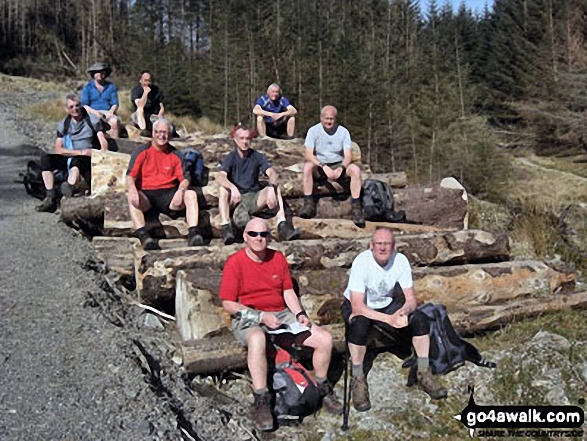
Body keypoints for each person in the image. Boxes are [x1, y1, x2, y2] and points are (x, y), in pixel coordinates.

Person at [219, 218, 343, 431]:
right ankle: (261, 399)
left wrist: (299, 313)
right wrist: (259, 316)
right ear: (245, 237)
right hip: (249, 315)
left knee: (324, 338)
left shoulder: (277, 258)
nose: (259, 238)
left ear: (270, 237)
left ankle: (322, 387)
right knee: (257, 338)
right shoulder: (235, 262)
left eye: (264, 234)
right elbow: (228, 304)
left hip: (281, 313)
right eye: (254, 234)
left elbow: (287, 291)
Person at [342, 227, 448, 412]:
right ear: (371, 246)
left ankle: (423, 371)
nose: (382, 248)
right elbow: (357, 306)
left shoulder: (400, 261)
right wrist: (389, 319)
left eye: (387, 244)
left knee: (420, 319)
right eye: (378, 244)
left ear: (393, 246)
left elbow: (411, 299)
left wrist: (404, 312)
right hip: (360, 304)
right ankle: (358, 378)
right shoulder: (362, 262)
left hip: (386, 303)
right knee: (358, 325)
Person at [125, 118, 203, 250]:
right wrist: (132, 189)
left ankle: (193, 233)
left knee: (191, 194)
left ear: (170, 135)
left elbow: (185, 179)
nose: (161, 136)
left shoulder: (176, 154)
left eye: (165, 133)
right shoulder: (141, 152)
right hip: (147, 195)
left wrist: (181, 191)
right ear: (153, 133)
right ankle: (143, 235)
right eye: (158, 132)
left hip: (169, 195)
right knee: (131, 197)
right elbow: (130, 176)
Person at [215, 124, 298, 245]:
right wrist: (232, 188)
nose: (245, 142)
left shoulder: (257, 156)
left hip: (254, 197)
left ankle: (283, 225)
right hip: (237, 199)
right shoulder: (231, 157)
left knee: (275, 189)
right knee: (223, 190)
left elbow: (271, 173)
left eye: (247, 138)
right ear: (235, 139)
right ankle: (226, 227)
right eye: (241, 138)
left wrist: (271, 186)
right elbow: (220, 176)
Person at [36, 94, 108, 213]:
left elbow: (103, 143)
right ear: (67, 109)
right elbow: (58, 149)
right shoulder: (64, 124)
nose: (75, 109)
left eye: (77, 106)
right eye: (71, 107)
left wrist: (97, 154)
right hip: (73, 153)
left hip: (88, 157)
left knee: (77, 161)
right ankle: (50, 197)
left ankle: (69, 188)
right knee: (46, 159)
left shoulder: (92, 120)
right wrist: (78, 152)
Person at [300, 105, 365, 227]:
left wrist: (341, 167)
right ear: (321, 118)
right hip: (320, 165)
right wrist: (323, 166)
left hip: (338, 163)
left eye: (332, 119)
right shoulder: (313, 131)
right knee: (307, 167)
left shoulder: (343, 132)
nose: (329, 121)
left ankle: (356, 207)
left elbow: (348, 155)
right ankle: (308, 203)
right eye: (327, 118)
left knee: (355, 170)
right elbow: (308, 154)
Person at [81, 62, 121, 139]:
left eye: (102, 72)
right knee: (94, 122)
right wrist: (96, 113)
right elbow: (85, 105)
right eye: (97, 72)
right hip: (92, 112)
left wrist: (111, 112)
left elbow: (115, 103)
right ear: (93, 74)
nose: (100, 74)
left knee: (114, 122)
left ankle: (114, 145)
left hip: (107, 112)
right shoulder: (88, 87)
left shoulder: (111, 86)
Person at [130, 70, 165, 137]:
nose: (147, 83)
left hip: (153, 115)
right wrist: (145, 93)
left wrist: (160, 114)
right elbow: (140, 105)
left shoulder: (156, 90)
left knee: (162, 123)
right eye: (145, 80)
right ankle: (144, 130)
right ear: (141, 80)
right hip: (139, 116)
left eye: (149, 80)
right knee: (139, 111)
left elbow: (161, 106)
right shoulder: (136, 90)